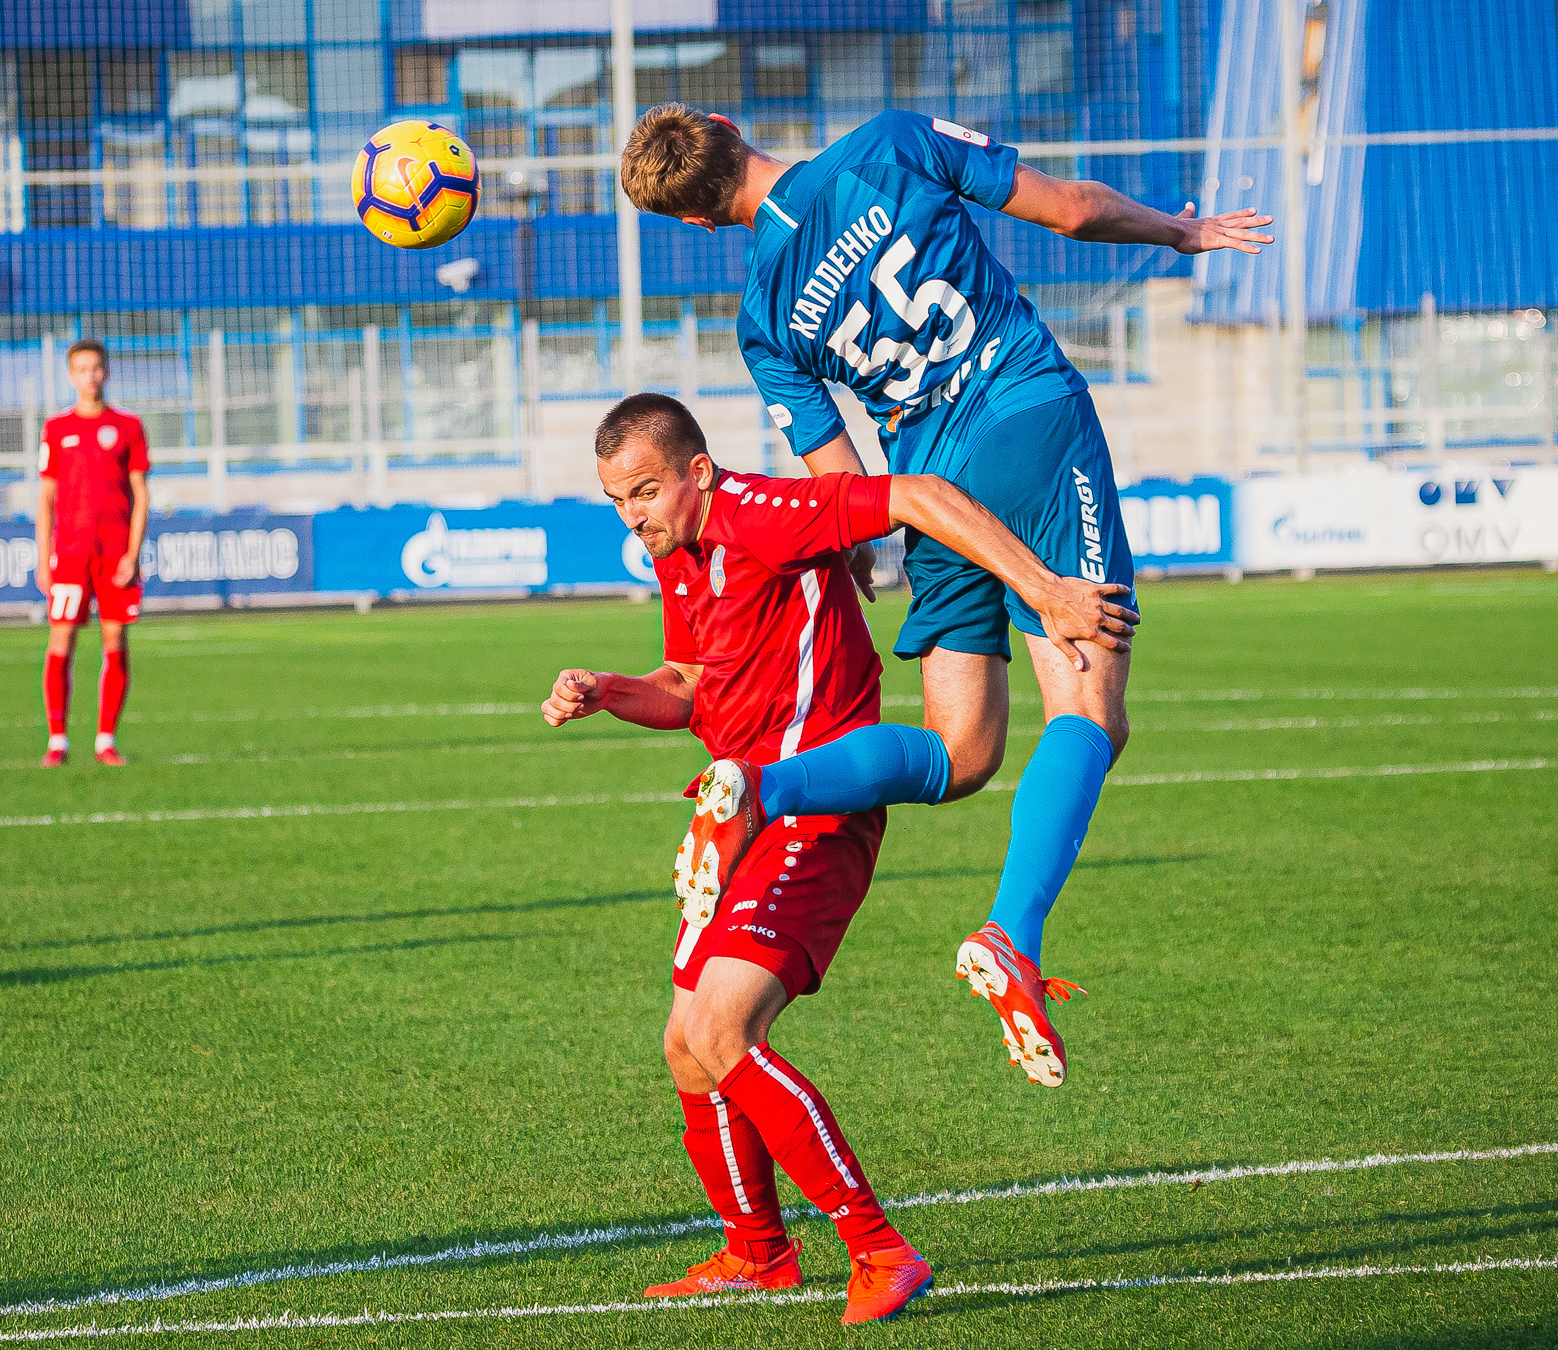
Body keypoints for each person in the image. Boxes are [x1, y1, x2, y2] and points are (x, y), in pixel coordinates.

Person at [618, 105, 1272, 1085]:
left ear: (699, 224)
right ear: (725, 124)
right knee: (1089, 706)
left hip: (930, 492)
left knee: (960, 754)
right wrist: (1181, 232)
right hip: (1030, 423)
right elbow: (1073, 211)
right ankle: (1012, 934)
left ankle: (764, 787)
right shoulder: (885, 145)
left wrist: (866, 565)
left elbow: (838, 482)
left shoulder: (763, 320)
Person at [541, 394, 1131, 1317]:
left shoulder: (763, 512)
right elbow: (689, 684)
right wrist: (606, 690)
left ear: (697, 470)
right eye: (618, 500)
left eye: (646, 492)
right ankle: (759, 1254)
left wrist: (1040, 582)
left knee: (723, 1032)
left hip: (814, 810)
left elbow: (904, 497)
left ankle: (878, 1250)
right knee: (686, 1050)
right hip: (741, 809)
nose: (634, 516)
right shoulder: (684, 557)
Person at [36, 339, 150, 768]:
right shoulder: (56, 429)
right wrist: (43, 556)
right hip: (69, 554)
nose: (90, 375)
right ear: (71, 375)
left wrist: (133, 553)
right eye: (82, 368)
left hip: (116, 553)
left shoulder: (129, 427)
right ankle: (57, 740)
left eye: (96, 367)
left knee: (115, 637)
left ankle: (105, 740)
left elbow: (140, 494)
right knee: (62, 638)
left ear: (107, 371)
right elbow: (46, 497)